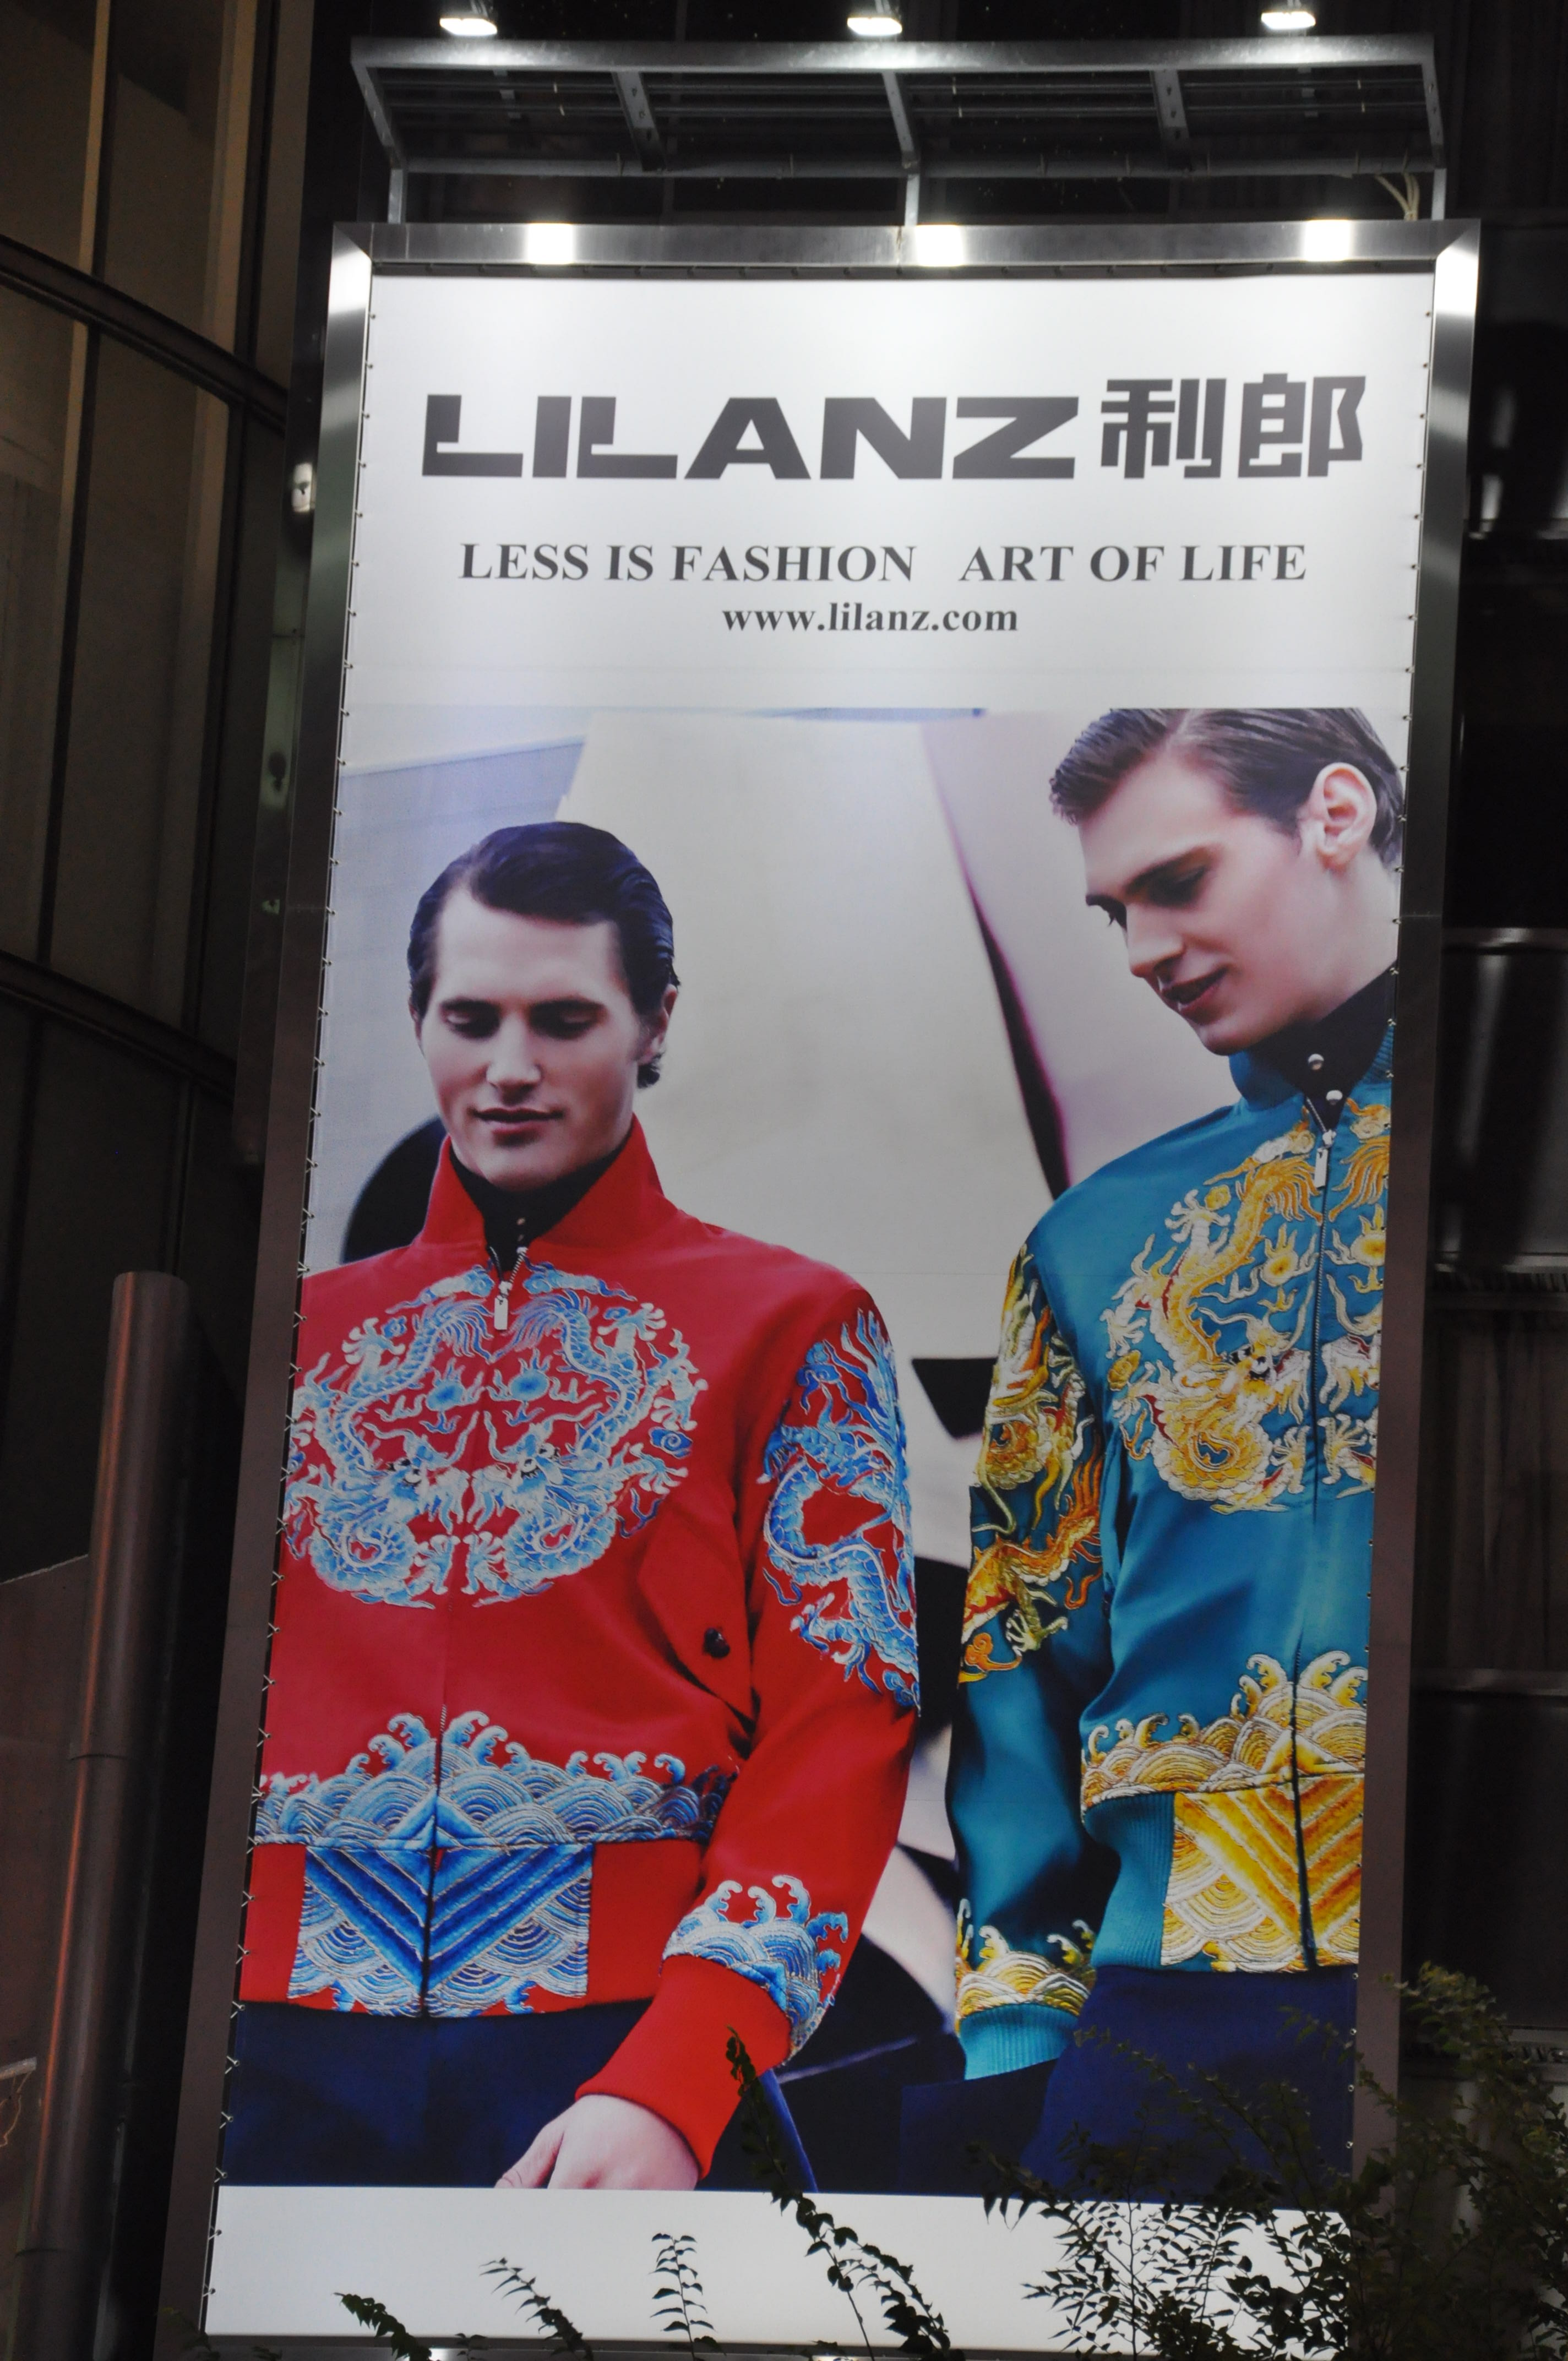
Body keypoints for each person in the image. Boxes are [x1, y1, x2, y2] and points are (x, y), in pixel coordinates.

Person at [226, 821, 918, 2191]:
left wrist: (683, 2075)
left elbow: (839, 1726)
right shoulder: (292, 1341)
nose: (509, 1066)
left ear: (654, 1023)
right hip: (272, 2064)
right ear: (417, 1018)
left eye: (563, 1019)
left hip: (620, 2063)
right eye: (469, 1018)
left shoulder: (792, 1322)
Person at [907, 709, 1400, 2197]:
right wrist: (1016, 2046)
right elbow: (1022, 1654)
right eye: (1113, 912)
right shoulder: (1092, 1241)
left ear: (1334, 814)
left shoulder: (1517, 1172)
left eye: (1176, 882)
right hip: (1164, 2019)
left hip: (1492, 1980)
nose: (1141, 951)